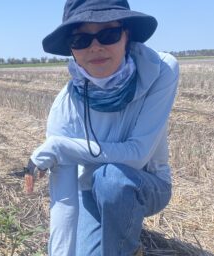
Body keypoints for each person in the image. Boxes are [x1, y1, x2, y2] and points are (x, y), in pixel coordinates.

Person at [25, 0, 179, 255]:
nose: (95, 47)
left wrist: (61, 147)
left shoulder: (160, 70)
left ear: (126, 35)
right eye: (81, 40)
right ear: (71, 49)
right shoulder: (64, 109)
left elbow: (138, 154)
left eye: (108, 34)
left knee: (111, 179)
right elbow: (64, 198)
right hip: (89, 188)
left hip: (148, 183)